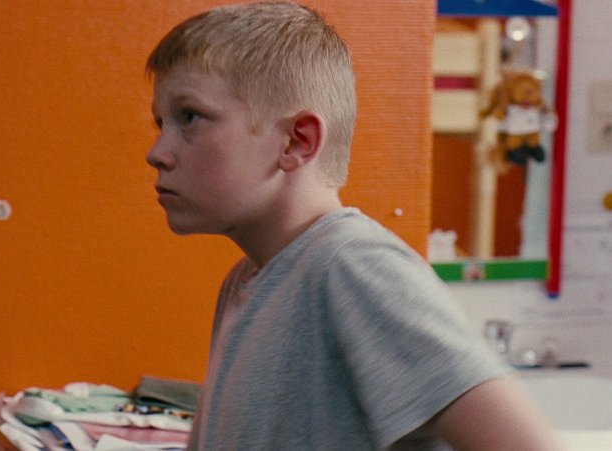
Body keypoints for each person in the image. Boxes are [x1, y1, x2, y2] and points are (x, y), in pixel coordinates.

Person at [144, 1, 560, 450]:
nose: (157, 152)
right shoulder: (245, 283)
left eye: (190, 118)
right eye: (161, 123)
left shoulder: (353, 267)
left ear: (297, 141)